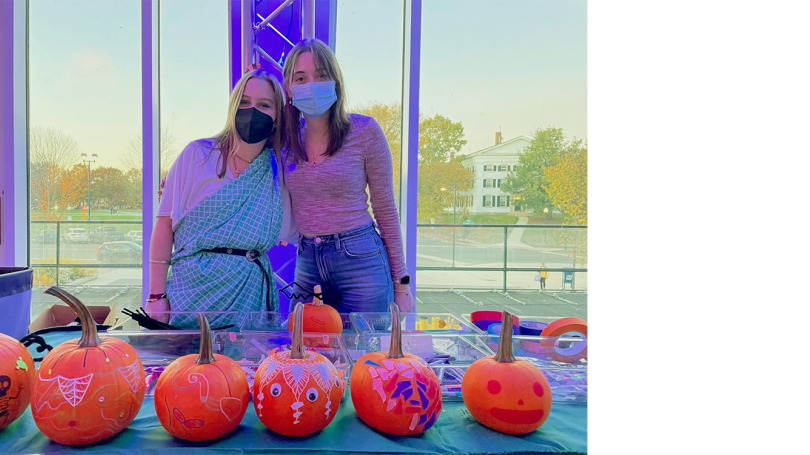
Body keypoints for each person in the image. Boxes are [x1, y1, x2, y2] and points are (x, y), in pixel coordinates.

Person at [145, 68, 297, 329]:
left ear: (276, 116)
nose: (253, 111)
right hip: (192, 294)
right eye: (245, 102)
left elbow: (299, 230)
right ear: (232, 107)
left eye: (264, 105)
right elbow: (164, 226)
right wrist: (156, 296)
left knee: (246, 369)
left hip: (249, 300)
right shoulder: (197, 155)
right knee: (189, 369)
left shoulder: (279, 173)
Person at [280, 38, 415, 314]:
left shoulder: (365, 131)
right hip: (307, 260)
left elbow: (385, 209)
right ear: (289, 89)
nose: (311, 85)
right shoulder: (284, 143)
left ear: (335, 82)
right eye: (301, 78)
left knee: (362, 352)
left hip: (361, 260)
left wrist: (401, 285)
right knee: (303, 352)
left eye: (321, 75)